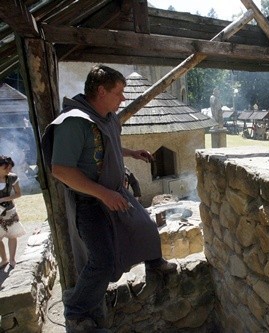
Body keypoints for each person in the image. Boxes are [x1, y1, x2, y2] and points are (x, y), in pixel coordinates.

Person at [41, 65, 176, 332]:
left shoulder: (108, 116)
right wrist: (103, 193)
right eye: (119, 92)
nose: (123, 98)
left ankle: (155, 264)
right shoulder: (75, 121)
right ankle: (77, 310)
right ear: (101, 91)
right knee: (101, 260)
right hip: (89, 202)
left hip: (116, 191)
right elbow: (61, 169)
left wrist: (132, 152)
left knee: (147, 228)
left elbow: (106, 144)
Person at [0, 156, 25, 270]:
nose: (9, 170)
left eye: (10, 167)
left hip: (9, 211)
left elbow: (18, 194)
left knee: (12, 235)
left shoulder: (12, 178)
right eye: (6, 167)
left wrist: (4, 199)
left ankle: (12, 259)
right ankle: (4, 259)